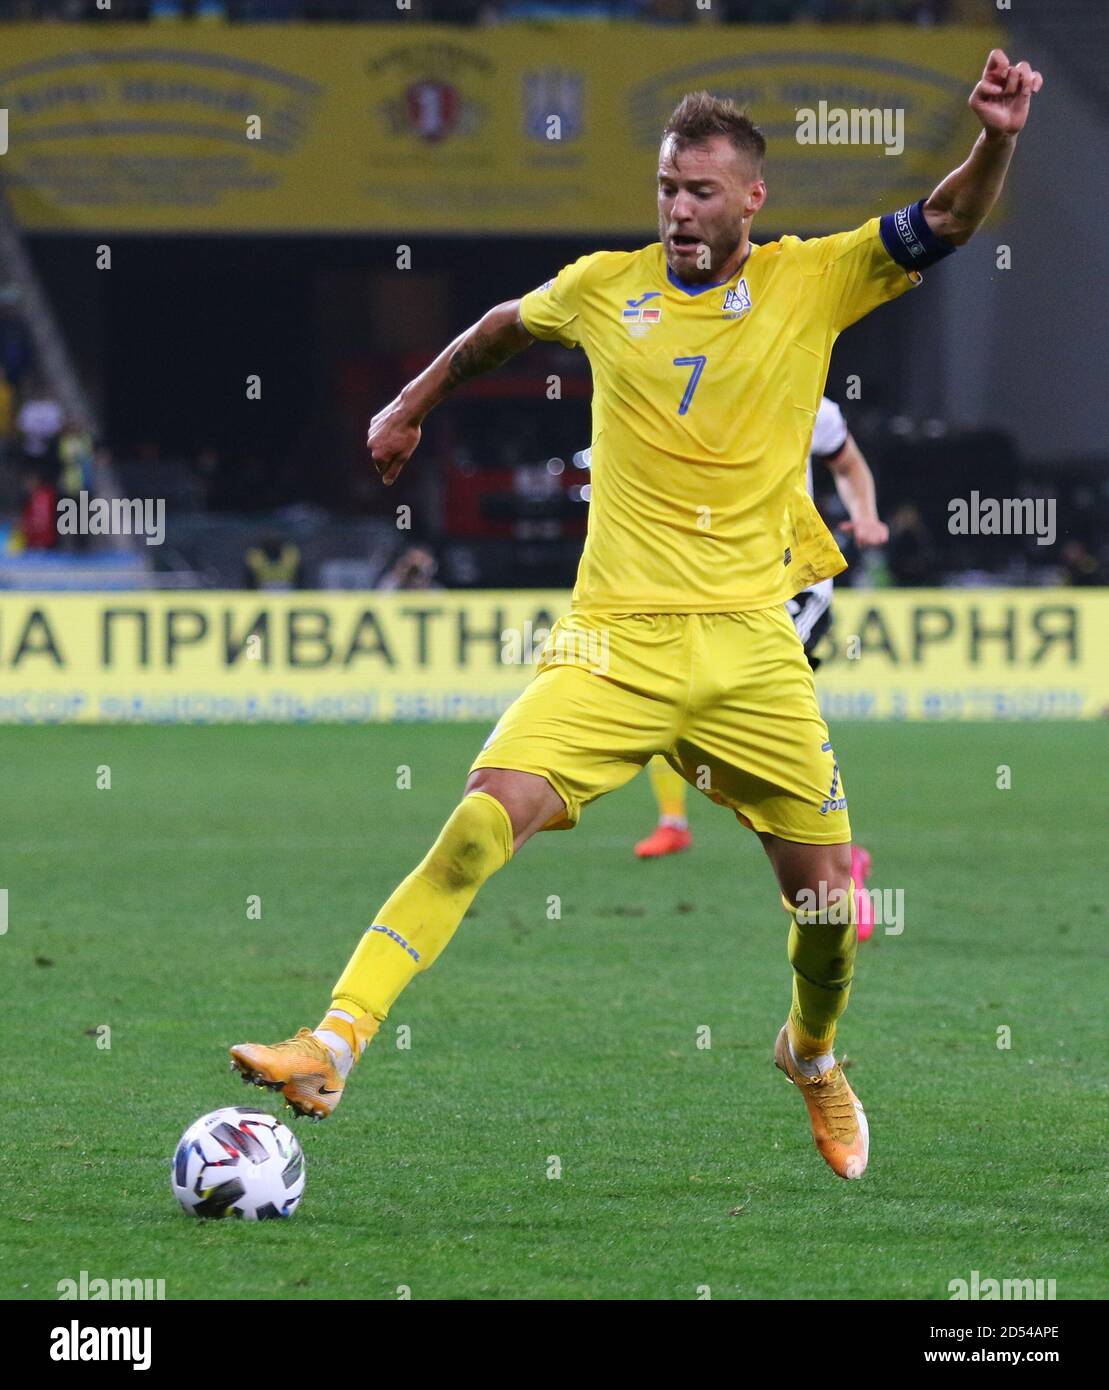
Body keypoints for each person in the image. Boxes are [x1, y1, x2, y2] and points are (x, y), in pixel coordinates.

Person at [231, 51, 1042, 1182]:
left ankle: (810, 1055)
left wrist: (995, 137)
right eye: (665, 186)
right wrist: (408, 404)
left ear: (751, 198)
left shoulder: (816, 278)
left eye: (699, 191)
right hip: (612, 639)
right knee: (474, 825)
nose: (676, 210)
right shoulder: (608, 286)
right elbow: (504, 324)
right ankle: (333, 1043)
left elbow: (945, 218)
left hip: (754, 648)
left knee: (823, 906)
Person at [633, 398, 886, 937]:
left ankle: (839, 864)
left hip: (792, 588)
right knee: (680, 705)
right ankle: (686, 824)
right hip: (717, 584)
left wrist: (864, 517)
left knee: (753, 718)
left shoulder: (811, 405)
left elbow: (849, 465)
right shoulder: (695, 391)